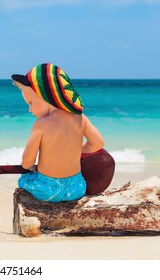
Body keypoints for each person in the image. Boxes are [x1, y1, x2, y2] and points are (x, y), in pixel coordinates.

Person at [11, 63, 104, 202]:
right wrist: (78, 153)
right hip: (76, 188)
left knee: (24, 180)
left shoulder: (41, 125)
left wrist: (29, 166)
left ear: (46, 97)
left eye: (31, 102)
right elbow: (98, 143)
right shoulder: (80, 118)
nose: (30, 109)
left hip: (49, 191)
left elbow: (27, 162)